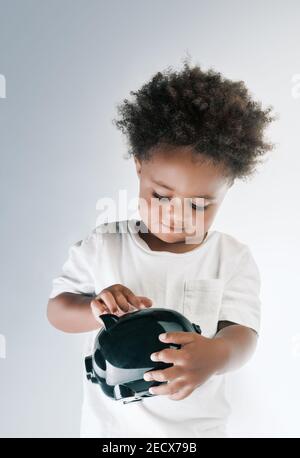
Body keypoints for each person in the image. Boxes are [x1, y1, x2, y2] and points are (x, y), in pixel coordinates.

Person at [47, 58, 276, 438]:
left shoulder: (231, 257)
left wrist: (216, 355)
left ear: (227, 188)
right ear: (139, 167)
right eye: (161, 195)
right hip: (111, 434)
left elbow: (243, 334)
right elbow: (57, 311)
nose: (177, 216)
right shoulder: (104, 245)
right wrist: (93, 308)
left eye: (200, 205)